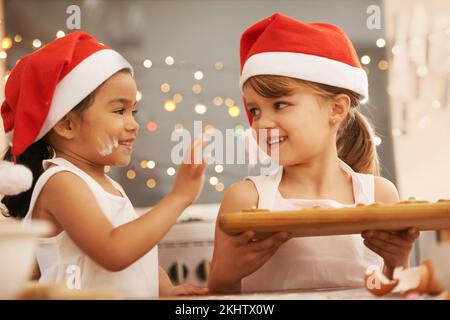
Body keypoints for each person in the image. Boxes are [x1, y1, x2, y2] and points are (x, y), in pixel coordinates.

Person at [208, 13, 419, 294]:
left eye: (280, 105)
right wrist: (222, 279)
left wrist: (397, 263)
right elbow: (222, 300)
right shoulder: (246, 200)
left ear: (337, 109)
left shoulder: (379, 196)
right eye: (255, 110)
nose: (262, 123)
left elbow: (392, 292)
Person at [1, 31, 208, 298]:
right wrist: (179, 197)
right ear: (66, 124)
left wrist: (165, 288)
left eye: (133, 111)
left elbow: (134, 248)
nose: (134, 124)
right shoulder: (61, 182)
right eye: (119, 111)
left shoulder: (107, 185)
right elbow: (114, 251)